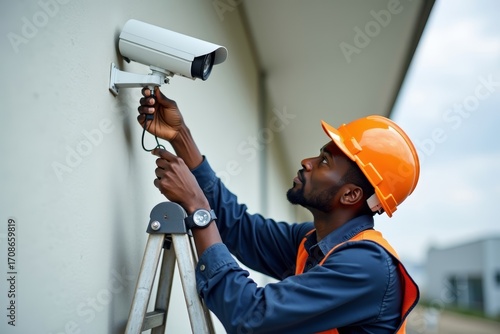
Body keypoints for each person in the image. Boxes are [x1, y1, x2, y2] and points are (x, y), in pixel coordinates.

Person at [137, 87, 420, 334]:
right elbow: (240, 228)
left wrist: (198, 208)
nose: (306, 162)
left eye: (324, 161)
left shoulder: (366, 267)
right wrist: (181, 136)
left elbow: (250, 318)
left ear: (350, 195)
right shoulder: (314, 242)